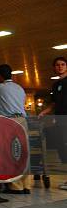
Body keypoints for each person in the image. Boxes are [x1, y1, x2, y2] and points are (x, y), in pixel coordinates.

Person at [0, 64, 31, 194]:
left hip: (10, 122)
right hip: (23, 121)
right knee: (24, 152)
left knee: (12, 153)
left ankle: (16, 186)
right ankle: (27, 185)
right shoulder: (20, 88)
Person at [39, 56, 67, 190]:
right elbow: (54, 103)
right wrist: (44, 112)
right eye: (57, 65)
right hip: (60, 121)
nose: (60, 67)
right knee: (62, 148)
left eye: (63, 64)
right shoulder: (55, 85)